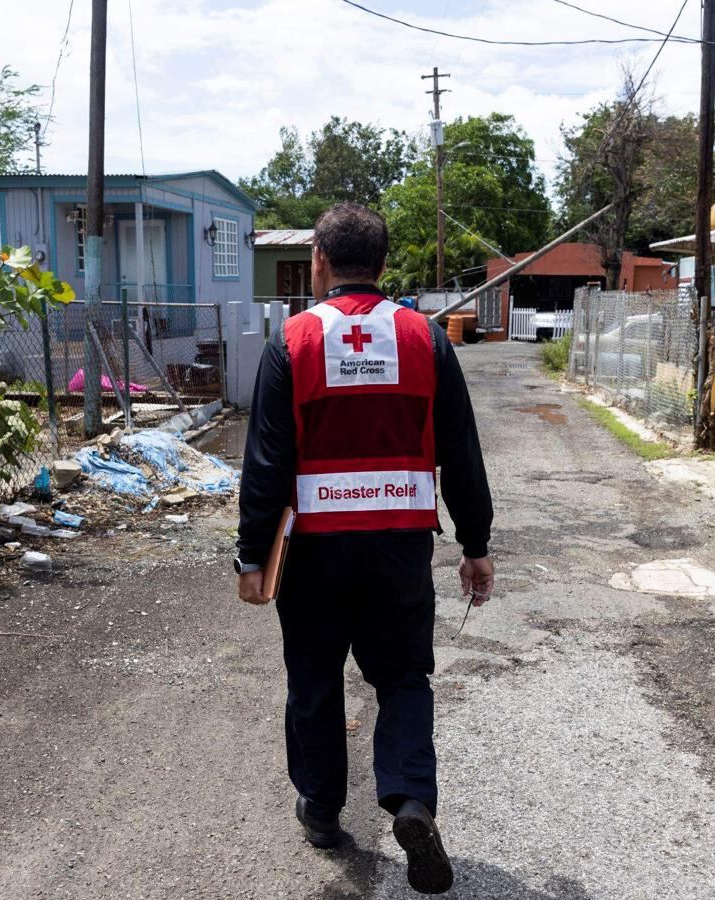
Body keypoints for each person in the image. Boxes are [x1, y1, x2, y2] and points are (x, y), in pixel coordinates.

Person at [234, 202, 493, 895]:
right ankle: (409, 798)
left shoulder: (293, 341)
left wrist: (251, 553)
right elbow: (462, 451)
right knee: (403, 677)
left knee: (314, 682)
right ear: (383, 265)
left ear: (319, 258)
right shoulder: (425, 339)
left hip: (314, 551)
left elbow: (265, 462)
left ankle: (321, 809)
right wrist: (476, 543)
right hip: (400, 547)